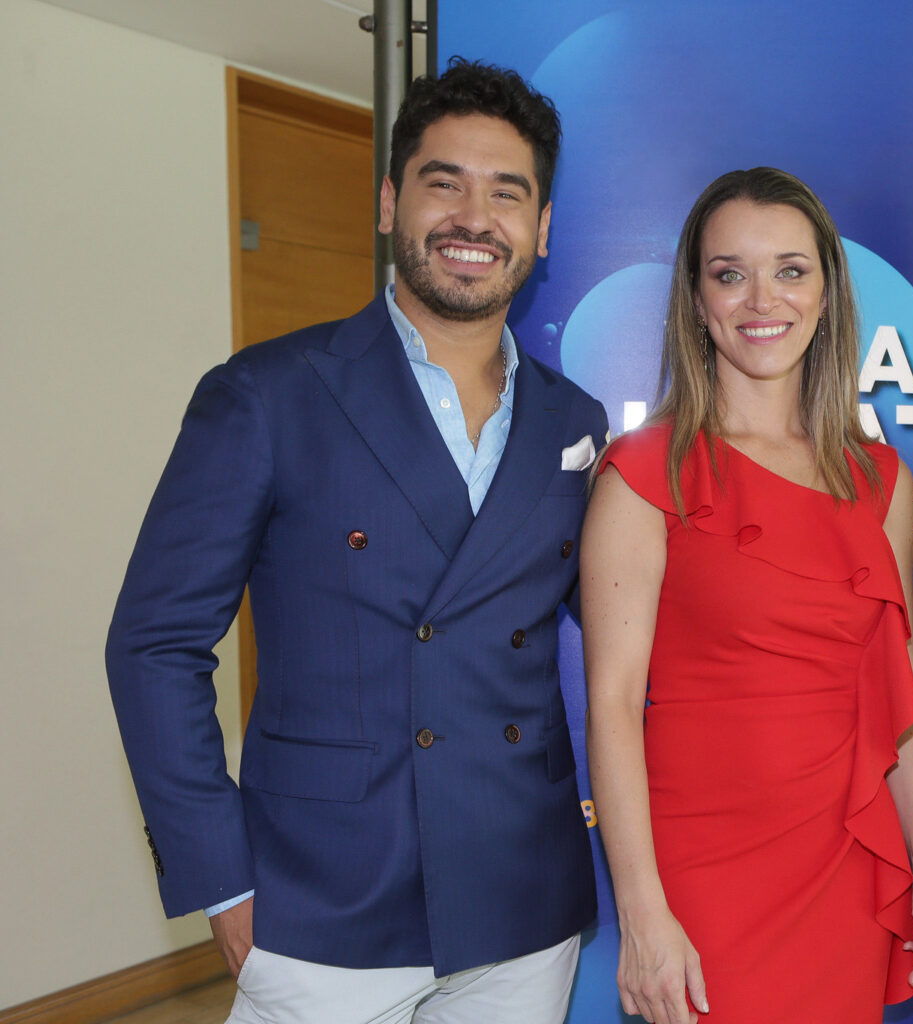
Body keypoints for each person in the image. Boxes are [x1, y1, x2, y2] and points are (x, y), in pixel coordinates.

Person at [106, 60, 606, 1024]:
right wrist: (220, 879)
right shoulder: (265, 394)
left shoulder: (574, 421)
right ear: (388, 203)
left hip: (522, 897)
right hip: (318, 904)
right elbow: (154, 644)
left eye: (507, 193)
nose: (473, 217)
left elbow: (621, 628)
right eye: (443, 182)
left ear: (542, 229)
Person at [580, 168, 913, 1024]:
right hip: (703, 877)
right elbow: (612, 703)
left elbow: (896, 686)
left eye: (791, 270)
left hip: (843, 864)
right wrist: (643, 915)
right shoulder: (643, 474)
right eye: (731, 274)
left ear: (826, 293)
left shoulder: (879, 478)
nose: (763, 300)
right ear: (697, 301)